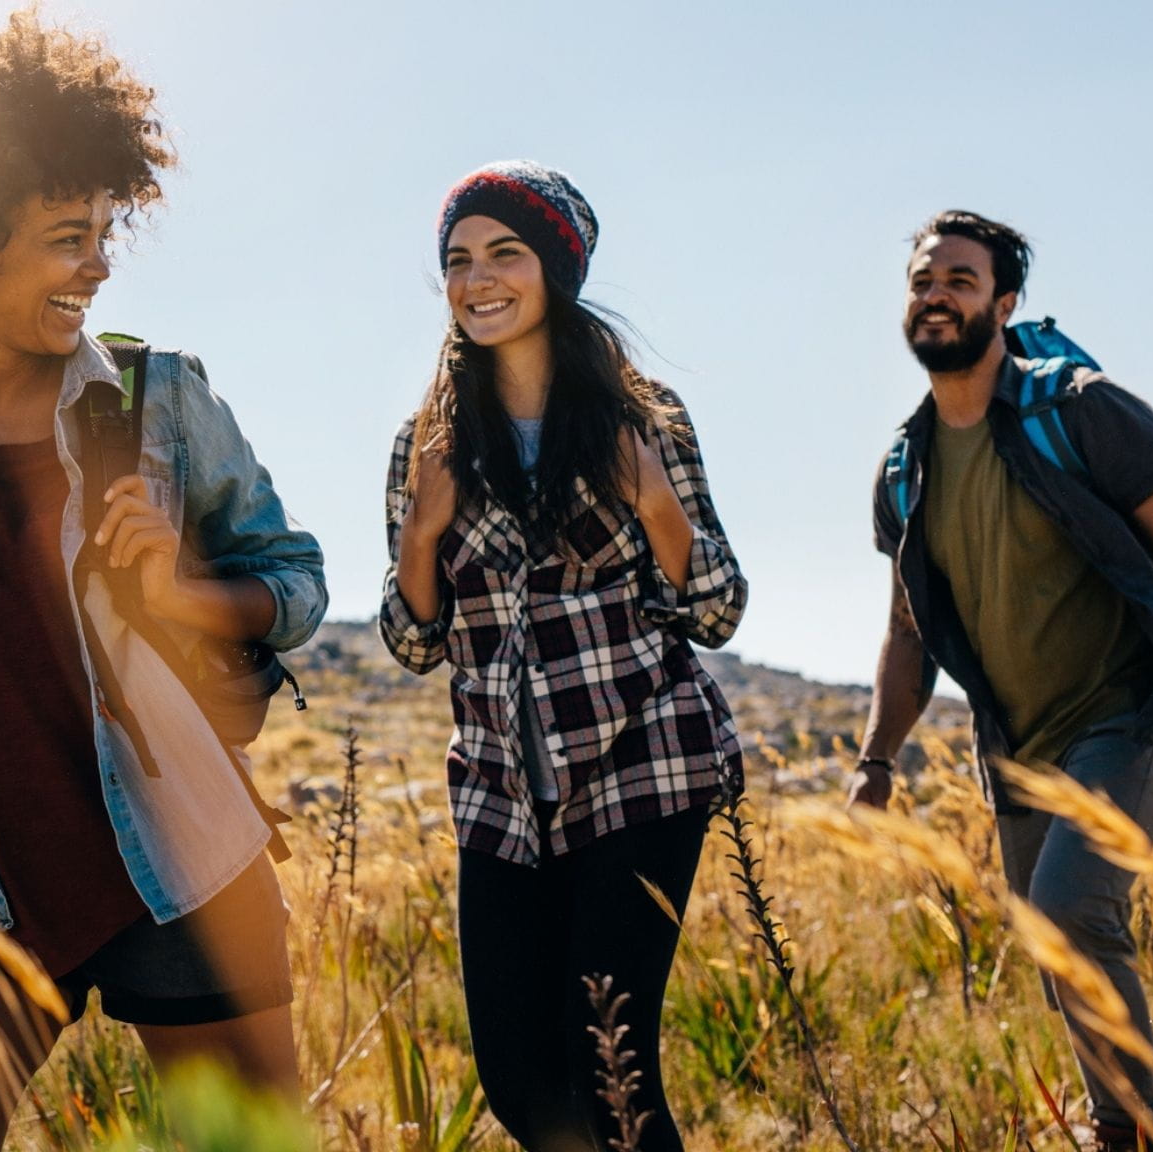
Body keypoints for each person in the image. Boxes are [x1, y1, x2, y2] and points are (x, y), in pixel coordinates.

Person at [0, 16, 326, 1150]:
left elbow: (295, 580)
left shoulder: (158, 399)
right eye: (65, 236)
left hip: (179, 862)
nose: (98, 263)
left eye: (104, 231)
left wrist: (185, 595)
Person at [379, 161, 747, 1152]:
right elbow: (415, 642)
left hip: (642, 770)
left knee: (610, 1071)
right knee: (518, 1083)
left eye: (505, 252)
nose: (477, 277)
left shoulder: (645, 417)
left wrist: (656, 506)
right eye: (458, 259)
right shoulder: (427, 441)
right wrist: (422, 533)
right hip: (501, 797)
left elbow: (717, 610)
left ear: (556, 268)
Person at [848, 210, 1153, 1150]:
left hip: (1129, 715)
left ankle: (1143, 1135)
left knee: (1071, 910)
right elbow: (909, 630)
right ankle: (1124, 1126)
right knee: (1054, 943)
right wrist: (875, 759)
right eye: (923, 281)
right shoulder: (905, 469)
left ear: (1003, 302)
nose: (936, 295)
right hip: (1018, 752)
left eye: (961, 280)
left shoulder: (1078, 408)